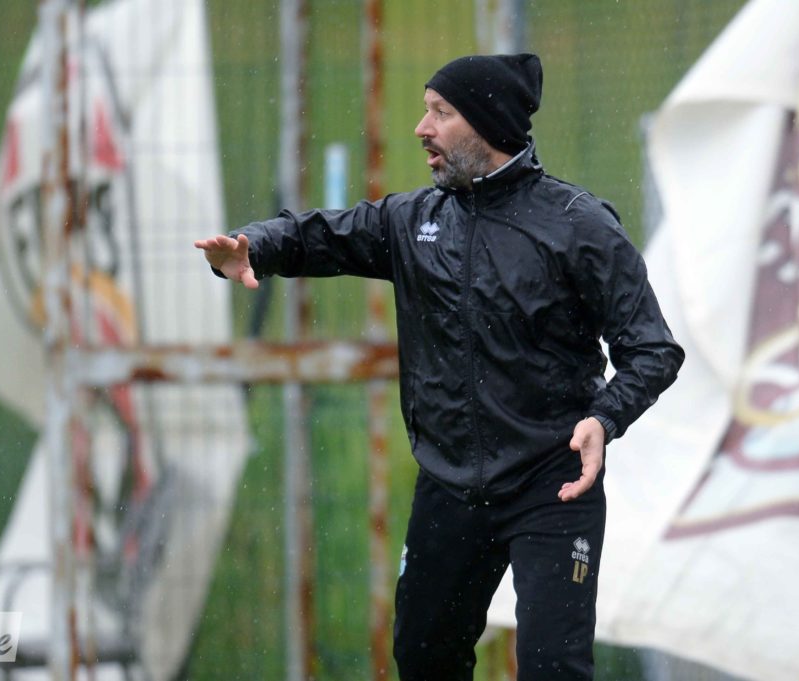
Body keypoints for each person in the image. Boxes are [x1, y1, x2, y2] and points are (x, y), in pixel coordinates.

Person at [195, 53, 684, 681]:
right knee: (423, 658)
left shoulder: (578, 225)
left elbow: (653, 349)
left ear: (488, 124)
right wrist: (253, 247)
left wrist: (604, 418)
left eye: (441, 113)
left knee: (552, 667)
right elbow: (321, 234)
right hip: (450, 487)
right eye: (426, 111)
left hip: (552, 486)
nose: (421, 129)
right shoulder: (414, 221)